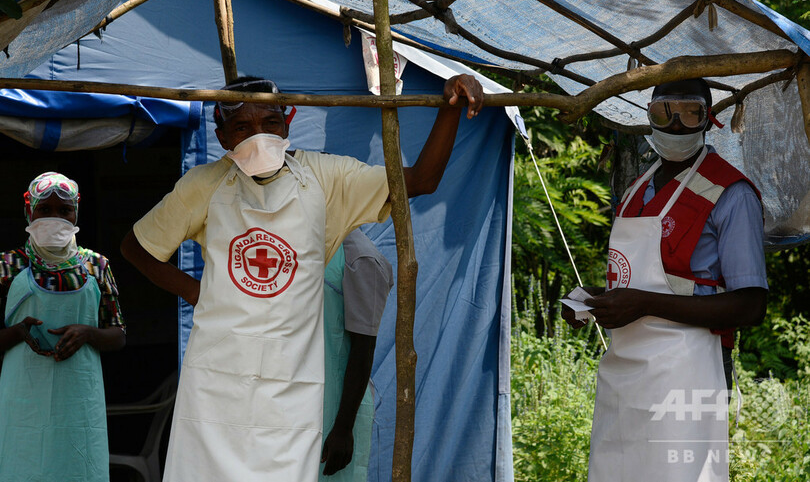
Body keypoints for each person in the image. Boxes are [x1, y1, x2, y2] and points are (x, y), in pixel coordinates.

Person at [120, 74, 483, 481]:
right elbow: (137, 247)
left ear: (288, 123)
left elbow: (420, 181)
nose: (258, 136)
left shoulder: (327, 179)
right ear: (222, 137)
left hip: (292, 382)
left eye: (270, 124)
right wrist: (197, 292)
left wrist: (450, 110)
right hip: (217, 379)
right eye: (241, 127)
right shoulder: (204, 185)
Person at [562, 78, 768, 482]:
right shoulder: (638, 186)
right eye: (663, 112)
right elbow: (645, 281)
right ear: (648, 116)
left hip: (688, 367)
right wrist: (595, 299)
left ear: (708, 120)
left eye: (690, 112)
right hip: (625, 368)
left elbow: (751, 304)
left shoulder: (731, 193)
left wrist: (643, 303)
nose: (675, 125)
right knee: (617, 469)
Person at [0, 171, 126, 482]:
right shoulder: (8, 266)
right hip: (24, 400)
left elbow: (118, 334)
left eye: (64, 210)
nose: (55, 217)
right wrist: (17, 333)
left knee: (79, 467)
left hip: (79, 400)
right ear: (29, 211)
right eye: (44, 210)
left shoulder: (96, 266)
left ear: (76, 213)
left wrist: (89, 333)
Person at [320, 228, 393, 480]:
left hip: (335, 410)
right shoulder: (310, 244)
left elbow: (363, 348)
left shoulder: (360, 258)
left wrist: (343, 426)